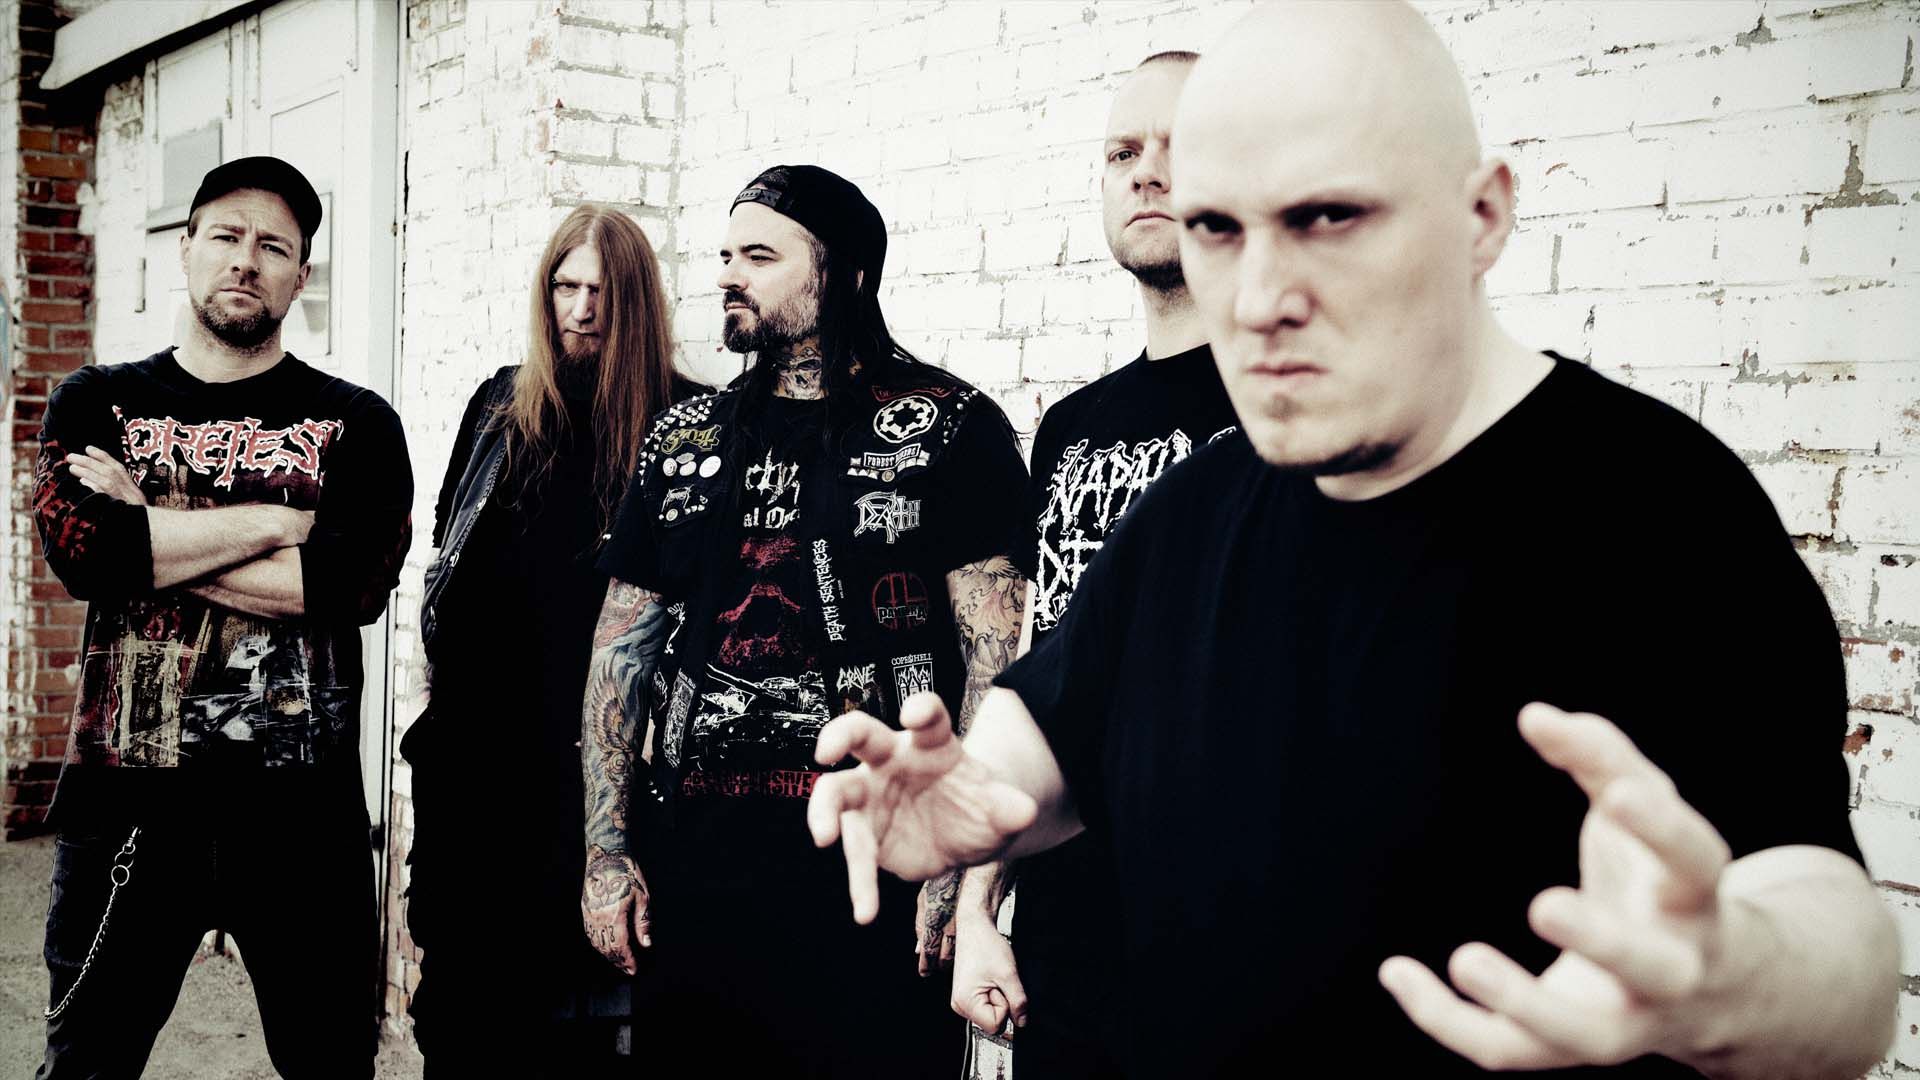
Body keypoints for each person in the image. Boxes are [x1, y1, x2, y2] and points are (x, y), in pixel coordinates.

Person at [807, 5, 1900, 1077]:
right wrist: (972, 794)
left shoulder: (1660, 508)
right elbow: (1052, 733)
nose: (1259, 299)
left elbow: (1842, 965)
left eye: (1328, 216)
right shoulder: (1193, 509)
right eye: (1218, 229)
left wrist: (1732, 980)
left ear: (1482, 216)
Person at [580, 165, 1032, 1076]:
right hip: (698, 867)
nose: (727, 275)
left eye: (759, 256)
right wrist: (606, 852)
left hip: (875, 864)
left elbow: (997, 659)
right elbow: (619, 653)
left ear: (846, 274)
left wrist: (962, 869)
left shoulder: (950, 427)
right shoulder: (686, 437)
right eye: (724, 255)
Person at [31, 156, 412, 1079]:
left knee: (331, 1066)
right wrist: (278, 523)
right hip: (128, 813)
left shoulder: (357, 423)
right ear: (187, 249)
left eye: (273, 246)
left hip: (303, 824)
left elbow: (348, 589)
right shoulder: (95, 402)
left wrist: (153, 528)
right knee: (86, 1064)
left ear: (301, 276)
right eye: (227, 236)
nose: (247, 259)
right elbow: (89, 555)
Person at [949, 49, 1236, 1079]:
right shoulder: (1072, 426)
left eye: (1179, 146)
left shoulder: (1294, 405)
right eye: (1123, 152)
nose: (1146, 172)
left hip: (1226, 922)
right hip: (1070, 918)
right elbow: (1043, 671)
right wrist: (979, 907)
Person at [400, 204, 702, 1076]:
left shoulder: (687, 423)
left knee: (581, 1036)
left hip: (596, 783)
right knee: (462, 1026)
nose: (581, 310)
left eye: (602, 292)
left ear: (635, 302)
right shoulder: (500, 408)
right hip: (476, 780)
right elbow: (447, 564)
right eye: (565, 287)